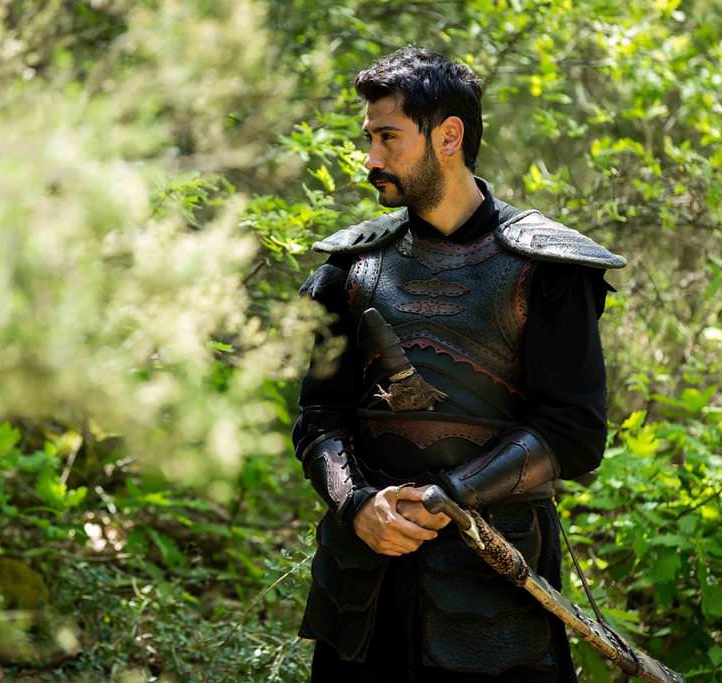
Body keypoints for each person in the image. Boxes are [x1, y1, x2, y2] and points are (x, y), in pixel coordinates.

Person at [292, 46, 625, 682]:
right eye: (369, 139)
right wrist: (356, 503)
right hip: (364, 586)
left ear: (449, 136)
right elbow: (319, 417)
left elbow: (573, 431)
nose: (371, 159)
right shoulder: (351, 267)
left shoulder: (547, 269)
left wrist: (447, 497)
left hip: (492, 583)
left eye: (388, 137)